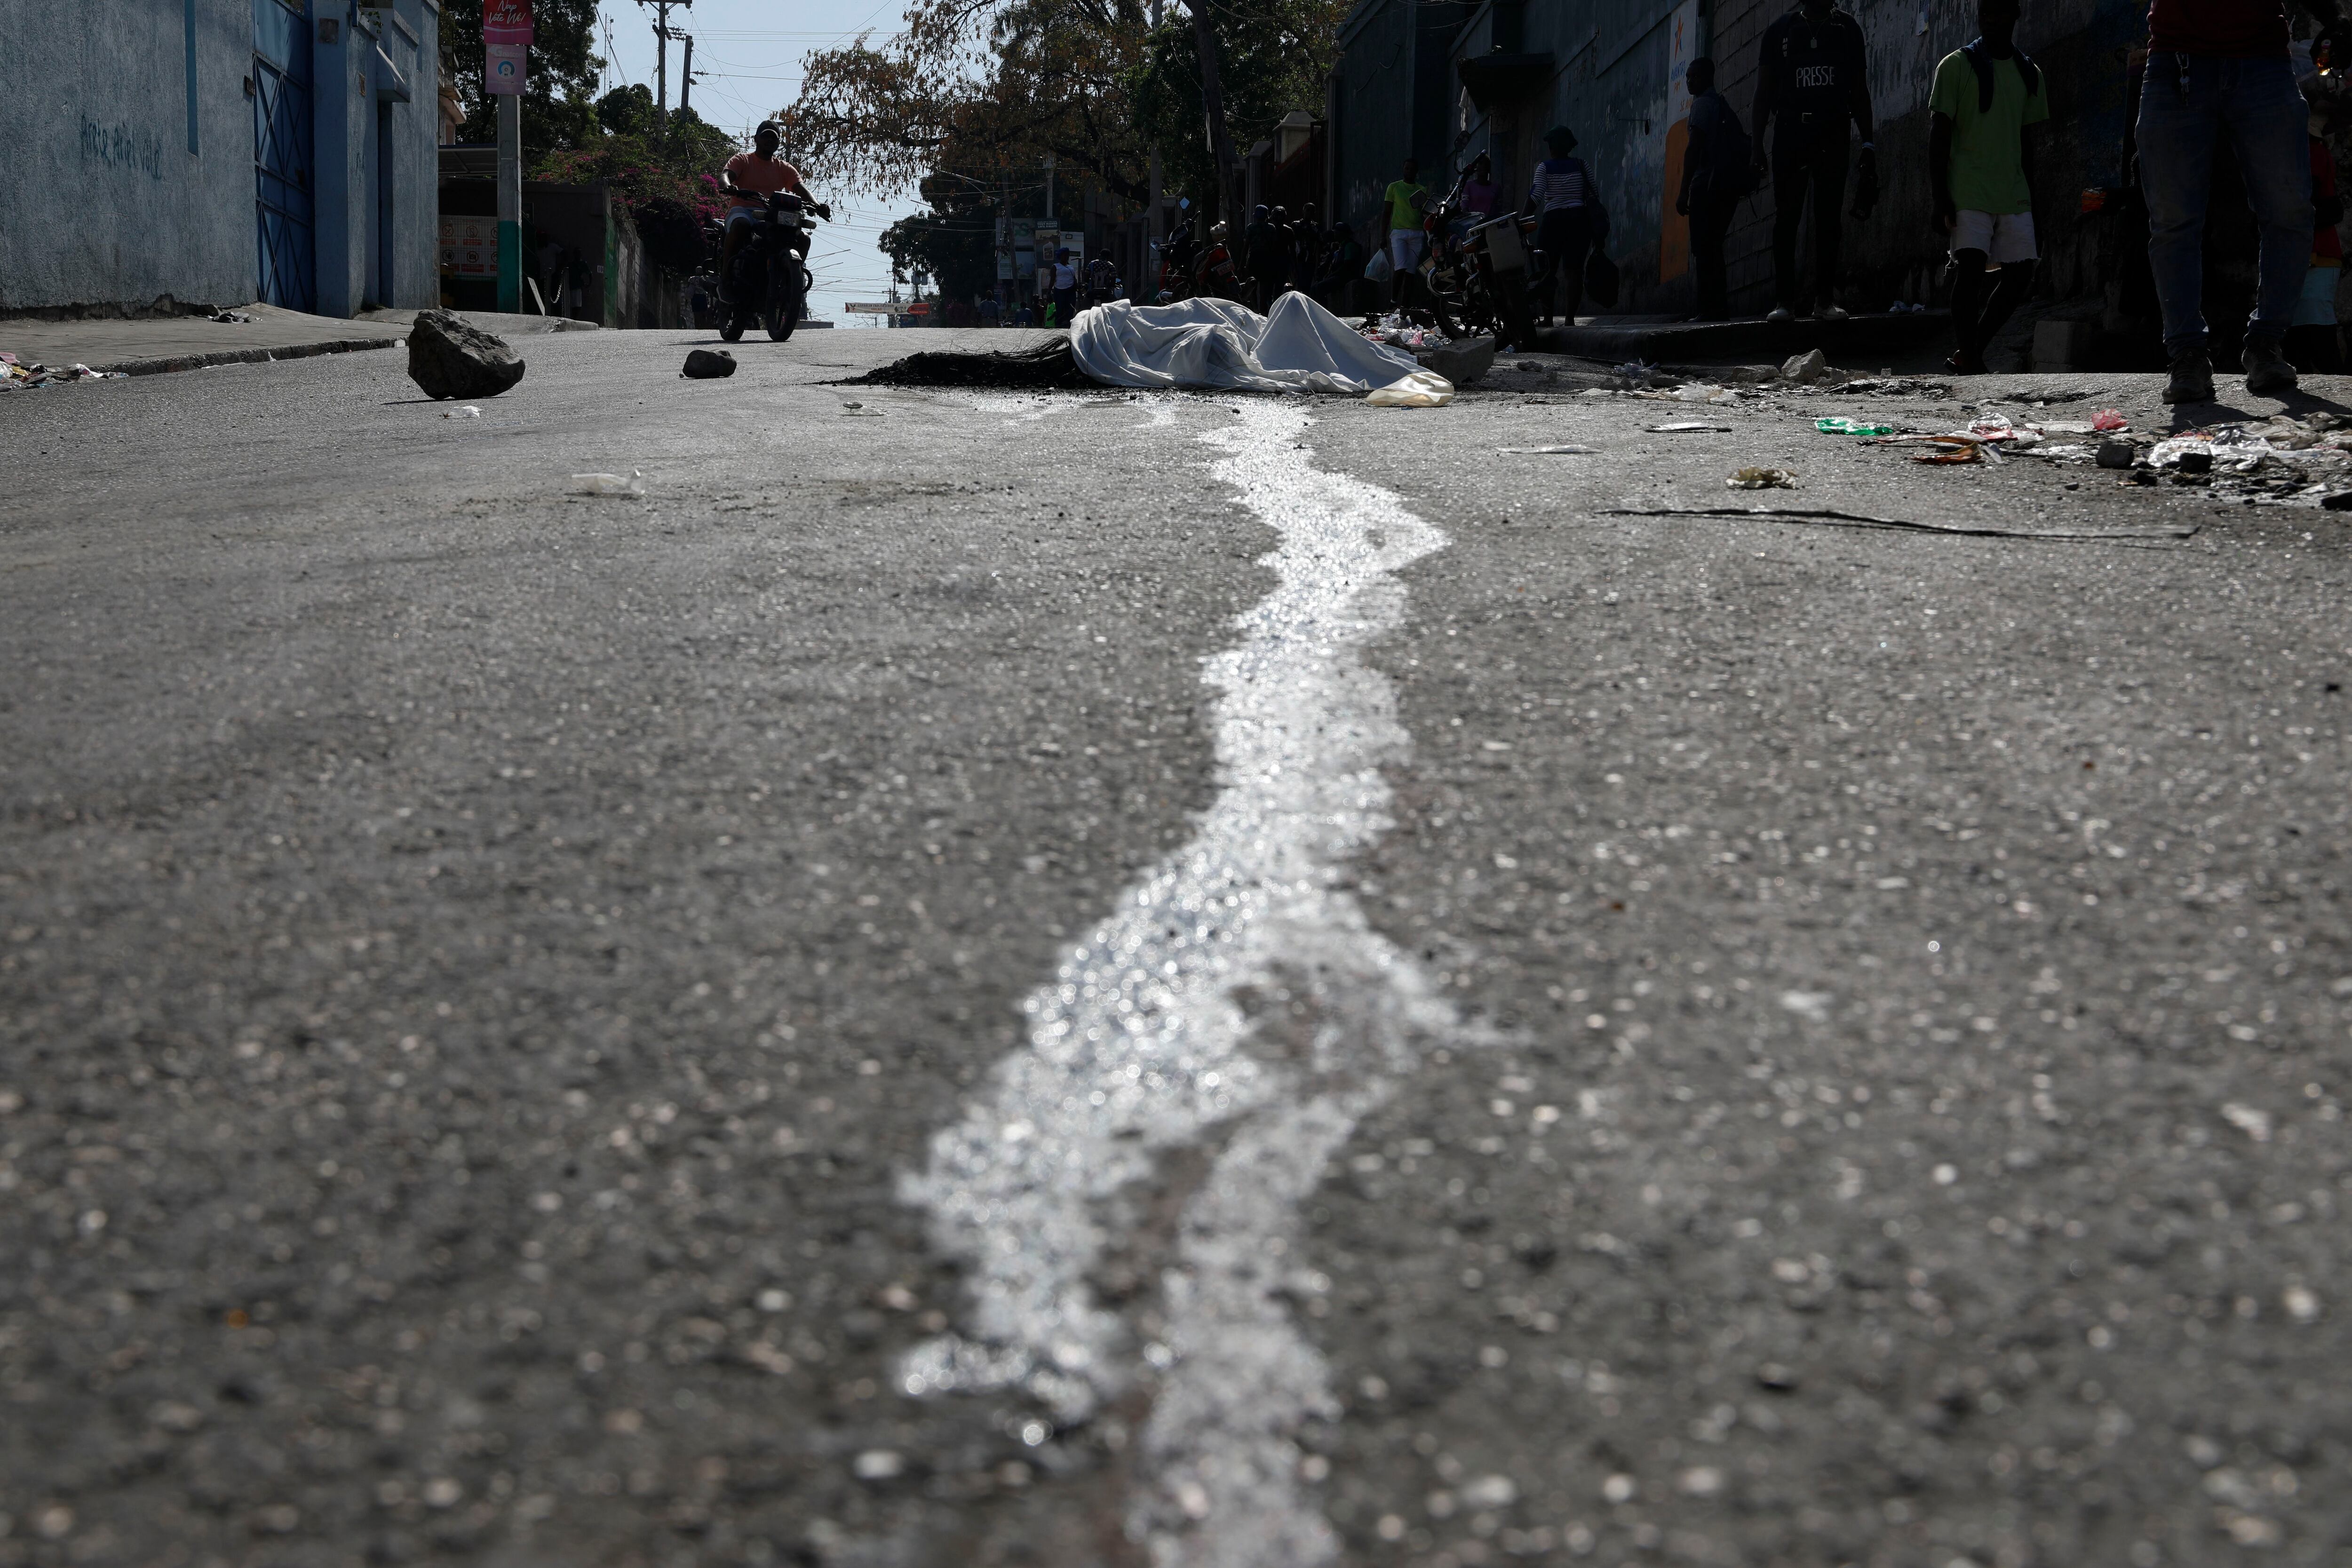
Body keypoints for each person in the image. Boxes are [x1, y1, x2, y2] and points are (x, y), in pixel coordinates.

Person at [2138, 0, 2346, 401]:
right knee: (2173, 220)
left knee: (2290, 211)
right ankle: (2187, 354)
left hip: (2263, 61)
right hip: (2177, 61)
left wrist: (2333, 15)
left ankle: (2266, 345)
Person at [1928, 0, 2049, 372]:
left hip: (2012, 190)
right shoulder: (1955, 66)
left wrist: (2034, 200)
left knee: (2021, 274)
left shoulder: (2029, 73)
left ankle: (1970, 352)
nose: (1991, 19)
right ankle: (1973, 361)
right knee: (1970, 271)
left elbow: (2027, 143)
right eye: (1985, 13)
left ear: (2015, 14)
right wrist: (1939, 198)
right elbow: (1939, 137)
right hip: (1968, 188)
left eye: (1998, 12)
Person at [1750, 0, 1875, 321]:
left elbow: (1859, 91)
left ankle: (1824, 301)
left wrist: (1869, 143)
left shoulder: (1847, 30)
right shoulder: (1780, 31)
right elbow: (1763, 93)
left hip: (1832, 135)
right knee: (1787, 219)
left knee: (1829, 219)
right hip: (1792, 134)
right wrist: (1756, 145)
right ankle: (1785, 303)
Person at [718, 121, 827, 302]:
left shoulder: (784, 168)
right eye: (765, 136)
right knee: (741, 225)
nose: (769, 140)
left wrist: (817, 205)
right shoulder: (742, 160)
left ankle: (788, 283)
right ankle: (726, 281)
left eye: (774, 138)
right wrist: (728, 186)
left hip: (772, 216)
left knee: (803, 239)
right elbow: (725, 176)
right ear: (756, 139)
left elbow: (800, 189)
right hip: (742, 210)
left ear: (778, 143)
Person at [1676, 57, 1748, 321]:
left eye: (1694, 77)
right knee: (1714, 248)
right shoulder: (1720, 103)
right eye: (1687, 77)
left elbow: (1694, 149)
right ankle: (1718, 308)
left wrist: (1684, 191)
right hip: (1725, 186)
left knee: (1704, 249)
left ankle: (1707, 309)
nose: (1689, 82)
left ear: (1707, 77)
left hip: (1707, 186)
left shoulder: (1702, 106)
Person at [1526, 126, 1601, 325]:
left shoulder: (1545, 168)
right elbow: (1594, 195)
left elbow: (1535, 198)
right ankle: (1569, 320)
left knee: (1547, 272)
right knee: (1574, 271)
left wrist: (1521, 220)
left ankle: (1548, 319)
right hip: (1579, 221)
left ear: (1552, 147)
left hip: (1553, 222)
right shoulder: (1582, 166)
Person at [1385, 158, 1432, 308]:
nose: (1409, 172)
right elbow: (1386, 212)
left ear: (1416, 172)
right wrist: (1382, 236)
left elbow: (1425, 213)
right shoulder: (1394, 188)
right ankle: (1393, 302)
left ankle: (1405, 307)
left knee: (1411, 273)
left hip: (1417, 234)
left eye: (1412, 169)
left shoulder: (1422, 190)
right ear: (1403, 170)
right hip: (1399, 233)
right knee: (1400, 268)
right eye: (1406, 169)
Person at [1244, 205, 1286, 310]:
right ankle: (1262, 312)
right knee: (1264, 291)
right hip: (1267, 261)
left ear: (1255, 216)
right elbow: (1274, 246)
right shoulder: (1271, 228)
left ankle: (1254, 309)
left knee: (1252, 287)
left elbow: (1245, 247)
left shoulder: (1251, 228)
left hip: (1254, 260)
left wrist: (1241, 265)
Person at [1049, 247, 1080, 326]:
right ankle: (1058, 325)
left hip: (1071, 291)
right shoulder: (1055, 267)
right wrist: (1049, 291)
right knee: (1060, 309)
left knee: (1070, 309)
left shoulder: (1071, 267)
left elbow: (1074, 278)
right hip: (1060, 291)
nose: (1066, 257)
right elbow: (1052, 280)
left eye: (1067, 255)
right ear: (1060, 256)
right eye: (1064, 255)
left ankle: (1069, 325)